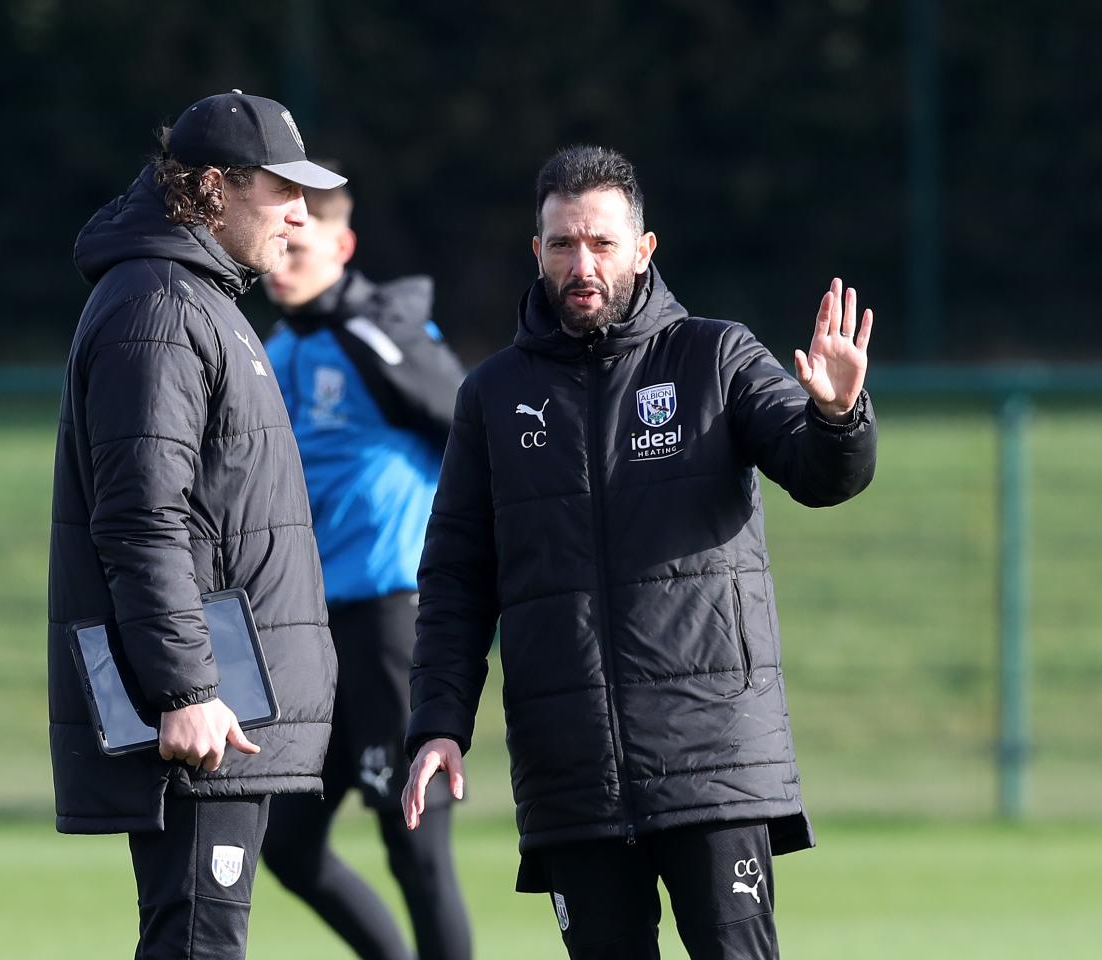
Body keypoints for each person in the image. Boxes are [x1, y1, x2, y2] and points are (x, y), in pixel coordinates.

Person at [402, 145, 878, 960]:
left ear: (644, 249)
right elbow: (455, 579)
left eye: (602, 243)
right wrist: (439, 722)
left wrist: (837, 417)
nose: (580, 264)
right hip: (571, 772)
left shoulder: (715, 357)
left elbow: (819, 474)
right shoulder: (492, 396)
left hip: (713, 761)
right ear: (537, 253)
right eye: (561, 245)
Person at [47, 90, 345, 960]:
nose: (300, 210)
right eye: (280, 188)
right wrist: (184, 689)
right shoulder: (161, 308)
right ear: (214, 187)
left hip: (228, 704)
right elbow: (142, 516)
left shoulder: (199, 298)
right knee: (198, 945)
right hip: (207, 718)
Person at [260, 173, 472, 960]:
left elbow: (472, 433)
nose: (282, 262)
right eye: (276, 244)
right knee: (286, 847)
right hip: (311, 634)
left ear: (343, 248)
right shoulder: (279, 348)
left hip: (393, 625)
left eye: (301, 247)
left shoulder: (379, 338)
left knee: (416, 852)